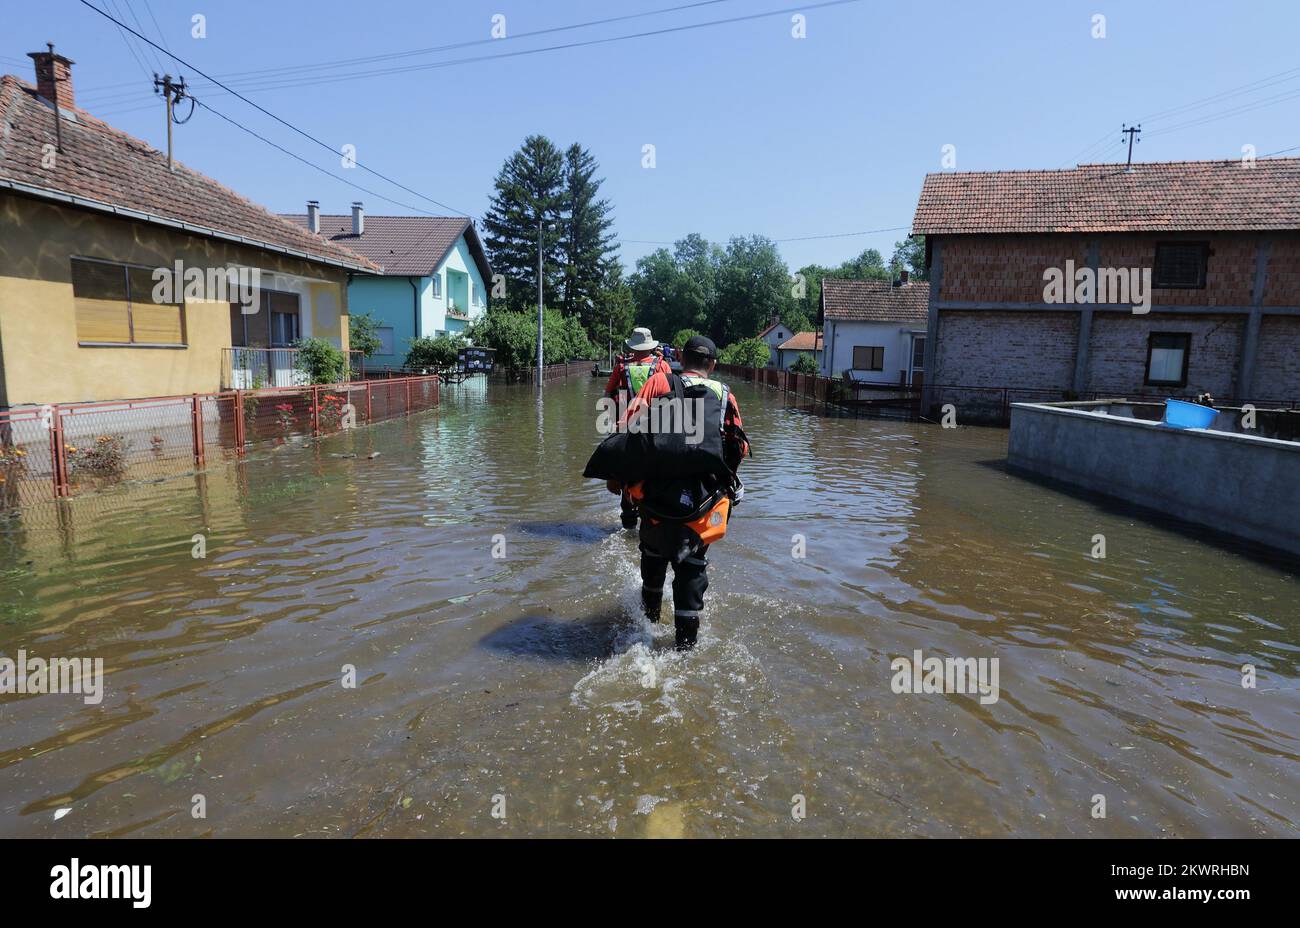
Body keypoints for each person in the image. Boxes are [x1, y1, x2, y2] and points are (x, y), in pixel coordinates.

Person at [621, 335, 748, 649]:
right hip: (701, 508)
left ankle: (646, 625)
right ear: (713, 365)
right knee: (691, 568)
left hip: (654, 501)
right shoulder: (725, 395)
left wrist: (625, 487)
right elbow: (739, 448)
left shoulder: (658, 384)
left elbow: (628, 432)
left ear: (679, 357)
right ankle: (685, 646)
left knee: (652, 558)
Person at [604, 327, 670, 529]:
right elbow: (671, 398)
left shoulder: (621, 367)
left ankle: (628, 517)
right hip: (655, 430)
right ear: (650, 345)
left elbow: (608, 395)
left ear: (632, 346)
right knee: (654, 473)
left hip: (627, 428)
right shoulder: (662, 365)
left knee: (626, 475)